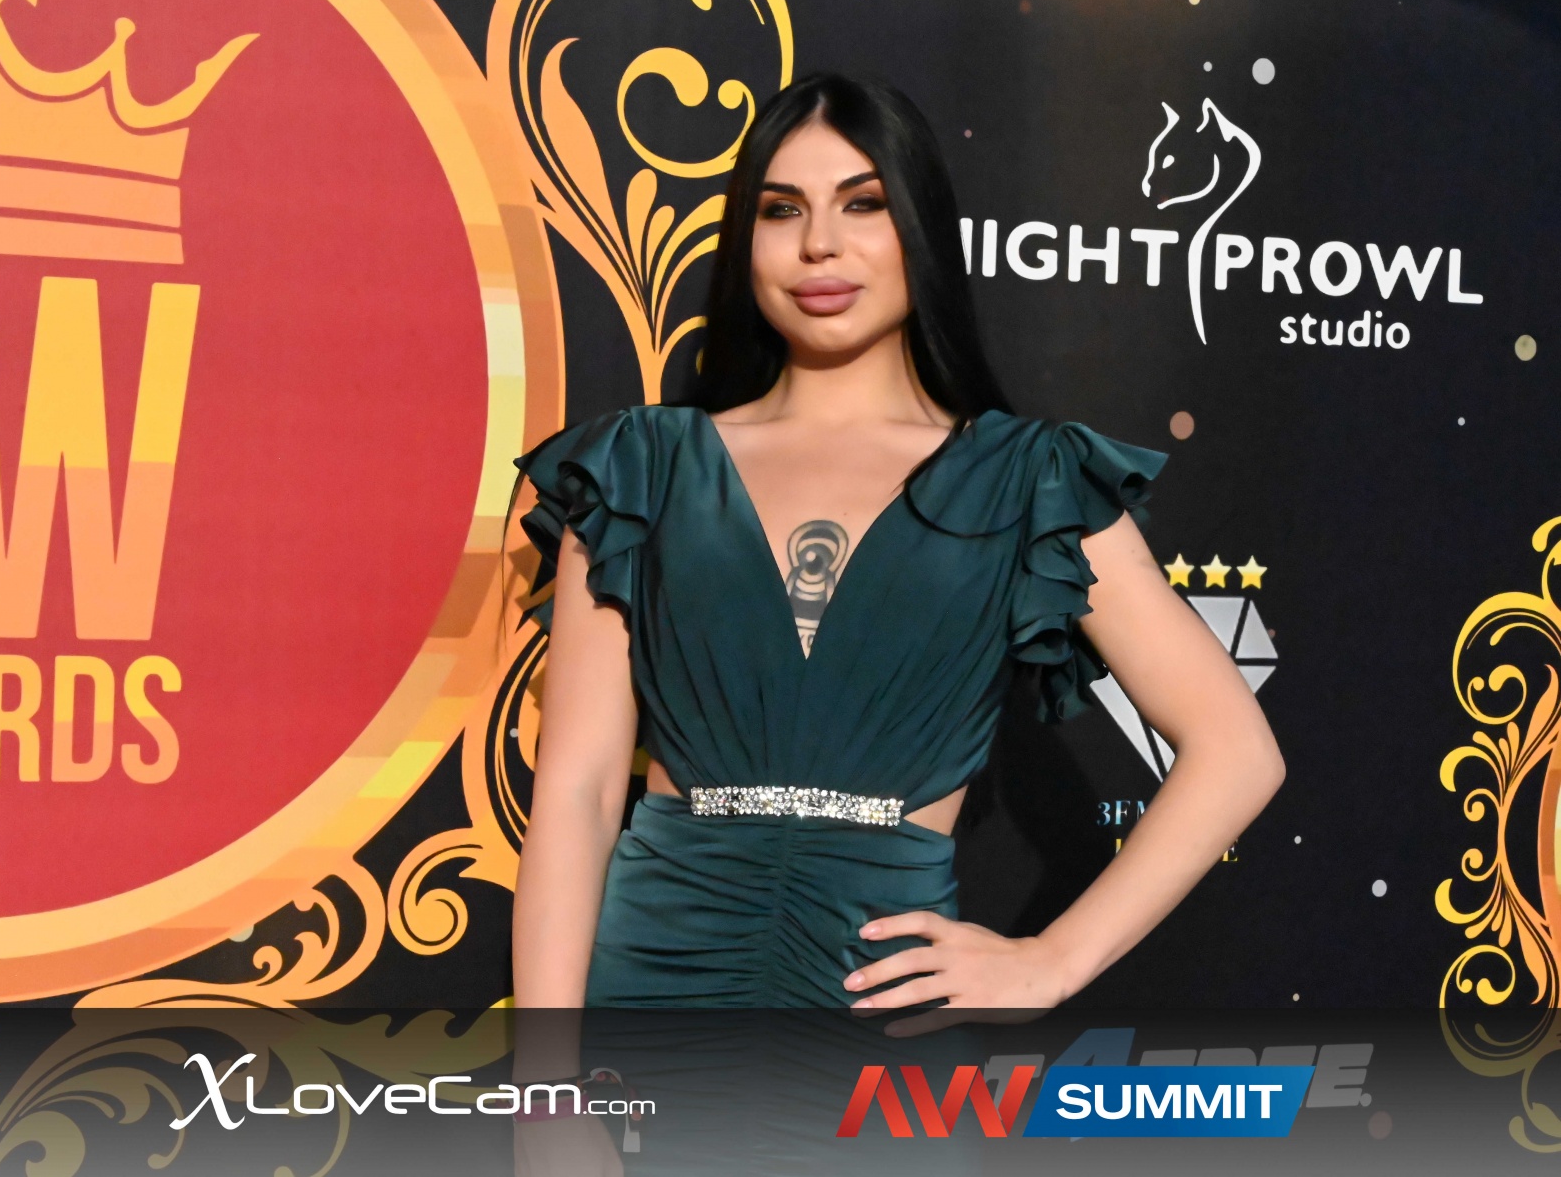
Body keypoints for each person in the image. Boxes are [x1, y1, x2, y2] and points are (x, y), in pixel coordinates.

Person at [508, 73, 1284, 1014]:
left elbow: (1236, 751)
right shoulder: (637, 468)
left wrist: (1051, 961)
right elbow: (581, 794)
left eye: (863, 203)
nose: (819, 243)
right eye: (781, 209)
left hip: (880, 1011)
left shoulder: (1027, 479)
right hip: (651, 992)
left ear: (920, 226)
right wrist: (545, 1083)